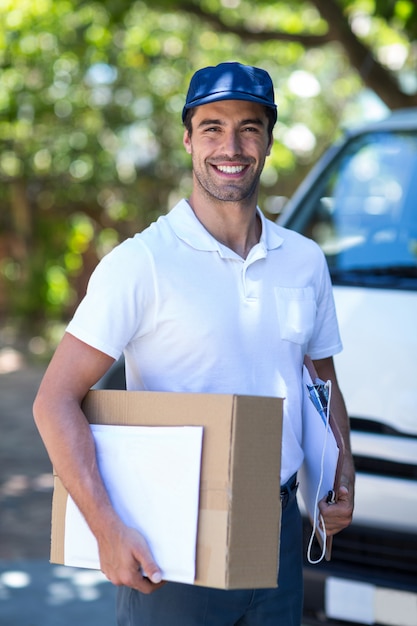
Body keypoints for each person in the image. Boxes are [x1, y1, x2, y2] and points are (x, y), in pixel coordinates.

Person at [33, 61, 355, 626]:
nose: (231, 145)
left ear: (268, 141)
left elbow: (322, 380)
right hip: (169, 543)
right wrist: (108, 531)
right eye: (212, 127)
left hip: (277, 533)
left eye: (249, 127)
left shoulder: (304, 261)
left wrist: (341, 475)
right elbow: (54, 401)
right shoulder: (142, 264)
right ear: (187, 139)